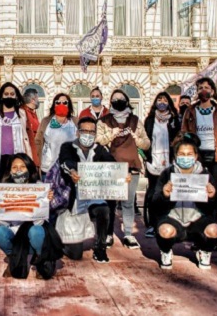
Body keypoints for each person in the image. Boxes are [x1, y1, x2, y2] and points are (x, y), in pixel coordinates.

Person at [150, 135, 217, 270]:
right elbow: (154, 203)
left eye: (189, 154)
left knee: (214, 230)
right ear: (176, 156)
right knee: (165, 230)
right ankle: (166, 251)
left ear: (195, 156)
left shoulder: (205, 174)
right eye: (182, 154)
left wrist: (212, 197)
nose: (185, 157)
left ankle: (205, 250)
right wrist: (165, 195)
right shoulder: (166, 174)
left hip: (197, 219)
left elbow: (214, 206)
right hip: (173, 219)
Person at [0, 153, 62, 279]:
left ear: (29, 168)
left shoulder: (40, 187)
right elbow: (3, 224)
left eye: (22, 167)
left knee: (36, 231)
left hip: (34, 233)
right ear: (10, 171)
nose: (18, 170)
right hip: (15, 234)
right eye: (14, 167)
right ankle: (13, 258)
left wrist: (45, 202)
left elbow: (40, 223)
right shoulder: (4, 189)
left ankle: (41, 259)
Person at [96, 89, 150, 249]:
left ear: (127, 101)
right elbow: (98, 140)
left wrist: (137, 139)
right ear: (110, 102)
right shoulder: (104, 121)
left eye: (121, 98)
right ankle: (108, 233)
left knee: (128, 202)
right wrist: (111, 135)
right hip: (111, 167)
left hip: (132, 166)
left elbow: (147, 143)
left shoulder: (135, 120)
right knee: (110, 202)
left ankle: (128, 234)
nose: (118, 100)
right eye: (115, 99)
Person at [56, 117, 115, 262]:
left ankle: (100, 248)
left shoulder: (100, 149)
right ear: (77, 132)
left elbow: (113, 164)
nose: (87, 135)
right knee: (76, 255)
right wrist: (72, 171)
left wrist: (122, 175)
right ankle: (62, 243)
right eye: (84, 131)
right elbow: (65, 161)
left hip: (93, 196)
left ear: (95, 134)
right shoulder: (67, 147)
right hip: (74, 199)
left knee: (104, 210)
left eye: (91, 132)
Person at [179, 78, 217, 221]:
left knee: (213, 193)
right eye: (200, 87)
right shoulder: (190, 111)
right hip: (198, 156)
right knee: (197, 192)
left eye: (207, 88)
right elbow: (183, 133)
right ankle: (198, 229)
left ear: (213, 91)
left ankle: (212, 226)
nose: (204, 90)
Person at [143, 91, 181, 237]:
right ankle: (152, 224)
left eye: (165, 100)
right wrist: (146, 158)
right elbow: (146, 140)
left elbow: (178, 137)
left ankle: (167, 221)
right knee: (153, 194)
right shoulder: (150, 120)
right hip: (154, 161)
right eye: (159, 99)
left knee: (169, 193)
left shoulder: (174, 119)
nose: (162, 102)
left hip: (170, 161)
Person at [0, 82, 36, 176]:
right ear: (1, 96)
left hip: (18, 159)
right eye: (6, 94)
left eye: (12, 94)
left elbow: (30, 138)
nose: (9, 96)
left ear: (16, 96)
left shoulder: (22, 114)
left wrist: (34, 159)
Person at [35, 93, 78, 174]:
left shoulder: (75, 121)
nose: (61, 104)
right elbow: (38, 142)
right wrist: (36, 163)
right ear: (54, 105)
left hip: (71, 169)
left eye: (64, 103)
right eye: (58, 102)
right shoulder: (46, 121)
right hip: (49, 168)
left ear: (69, 105)